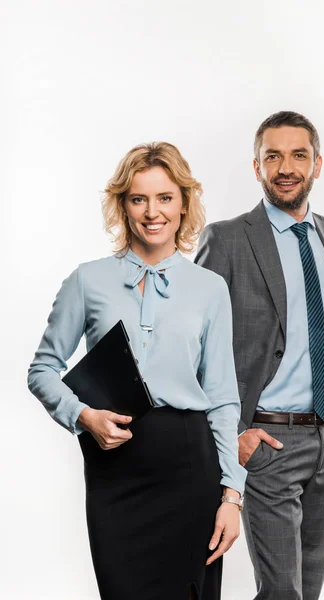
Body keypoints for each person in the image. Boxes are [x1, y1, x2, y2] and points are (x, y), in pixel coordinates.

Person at [27, 142, 247, 600]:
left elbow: (223, 398)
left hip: (190, 466)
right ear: (123, 205)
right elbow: (43, 369)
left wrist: (231, 496)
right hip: (115, 469)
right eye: (138, 198)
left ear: (184, 202)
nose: (153, 212)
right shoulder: (87, 280)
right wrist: (83, 416)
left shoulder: (210, 288)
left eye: (165, 197)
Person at [195, 111, 324, 600]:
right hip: (269, 444)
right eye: (273, 156)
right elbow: (197, 348)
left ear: (318, 164)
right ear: (257, 167)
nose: (286, 167)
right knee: (282, 595)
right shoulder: (227, 239)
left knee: (307, 591)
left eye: (298, 155)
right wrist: (234, 435)